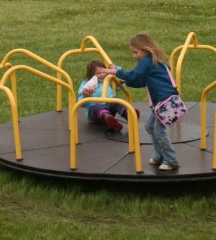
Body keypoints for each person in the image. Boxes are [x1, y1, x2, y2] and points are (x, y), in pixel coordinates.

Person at [101, 32, 180, 171]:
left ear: (145, 49)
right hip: (162, 102)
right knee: (150, 127)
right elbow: (140, 80)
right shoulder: (154, 61)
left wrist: (117, 72)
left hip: (165, 102)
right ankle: (159, 155)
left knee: (159, 131)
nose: (134, 56)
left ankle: (171, 160)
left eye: (135, 52)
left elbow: (135, 76)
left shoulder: (147, 62)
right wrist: (125, 78)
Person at [77, 59, 130, 133]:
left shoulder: (108, 80)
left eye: (104, 72)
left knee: (116, 99)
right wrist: (85, 96)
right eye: (99, 73)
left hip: (108, 110)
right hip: (94, 114)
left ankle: (127, 114)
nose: (102, 75)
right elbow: (81, 104)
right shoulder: (86, 84)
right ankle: (107, 117)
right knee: (97, 105)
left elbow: (122, 83)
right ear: (91, 75)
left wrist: (116, 69)